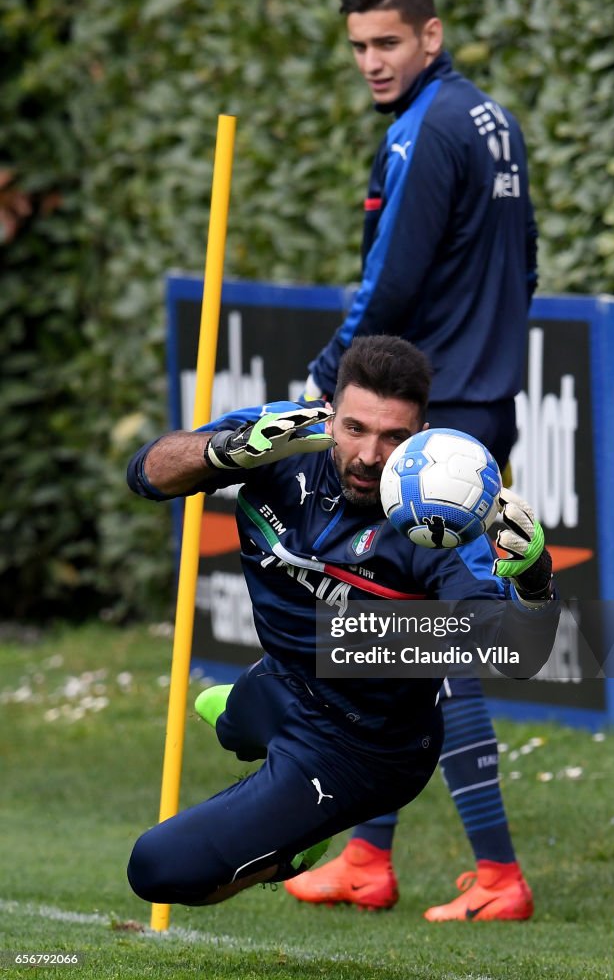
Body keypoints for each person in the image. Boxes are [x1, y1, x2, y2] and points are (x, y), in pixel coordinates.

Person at [125, 336, 558, 908]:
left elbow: (515, 653)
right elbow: (146, 473)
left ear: (420, 434)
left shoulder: (440, 520)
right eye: (354, 428)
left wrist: (534, 582)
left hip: (362, 748)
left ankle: (294, 850)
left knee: (156, 869)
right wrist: (224, 453)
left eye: (393, 437)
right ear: (330, 411)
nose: (370, 455)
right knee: (233, 724)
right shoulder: (282, 433)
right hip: (282, 678)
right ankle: (238, 715)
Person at [289, 0, 540, 921]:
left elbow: (388, 287)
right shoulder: (490, 119)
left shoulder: (424, 132)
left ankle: (499, 876)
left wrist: (324, 385)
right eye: (358, 47)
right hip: (477, 402)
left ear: (430, 37)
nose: (371, 62)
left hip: (426, 418)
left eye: (387, 42)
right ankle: (366, 854)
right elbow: (525, 265)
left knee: (434, 639)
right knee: (392, 628)